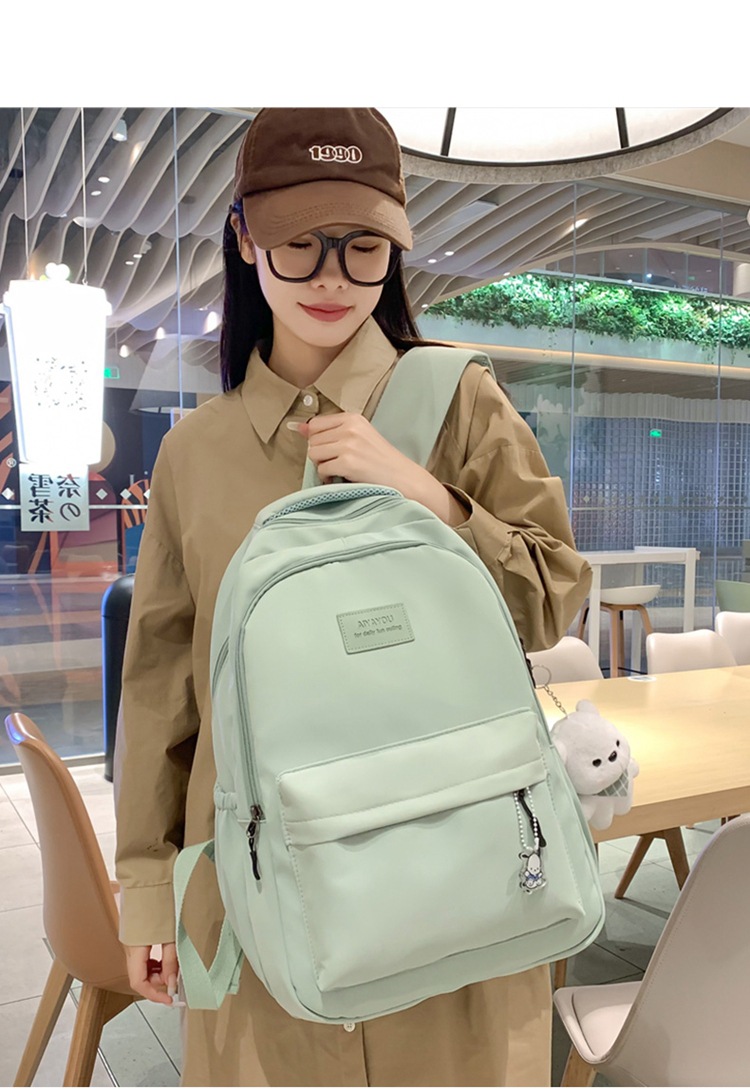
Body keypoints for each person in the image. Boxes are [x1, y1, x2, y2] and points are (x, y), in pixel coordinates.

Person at [114, 107, 592, 1088]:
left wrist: (427, 495)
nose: (332, 277)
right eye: (299, 244)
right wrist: (148, 891)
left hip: (455, 876)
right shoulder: (195, 454)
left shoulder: (457, 401)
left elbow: (552, 600)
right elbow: (163, 691)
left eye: (363, 246)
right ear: (245, 239)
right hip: (260, 883)